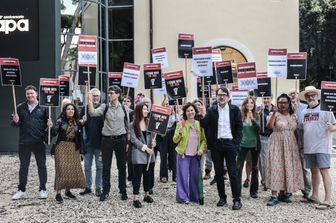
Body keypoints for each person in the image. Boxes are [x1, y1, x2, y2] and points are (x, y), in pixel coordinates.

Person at [200, 87, 243, 210]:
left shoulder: (235, 110)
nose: (222, 97)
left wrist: (236, 144)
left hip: (230, 144)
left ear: (228, 96)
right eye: (219, 95)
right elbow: (203, 123)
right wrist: (198, 114)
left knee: (232, 173)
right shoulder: (212, 110)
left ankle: (236, 200)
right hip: (216, 145)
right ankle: (222, 197)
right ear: (216, 96)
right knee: (218, 173)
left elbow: (239, 128)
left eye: (224, 95)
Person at [88, 85, 130, 202]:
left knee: (122, 167)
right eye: (109, 93)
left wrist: (127, 141)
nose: (109, 95)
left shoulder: (124, 108)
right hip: (107, 140)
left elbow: (128, 126)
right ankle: (105, 191)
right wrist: (90, 100)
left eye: (111, 93)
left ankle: (123, 190)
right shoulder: (104, 107)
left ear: (118, 94)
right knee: (106, 167)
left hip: (121, 139)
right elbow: (92, 113)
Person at [298, 86, 336, 209]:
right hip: (309, 147)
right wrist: (302, 147)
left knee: (324, 171)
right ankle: (314, 196)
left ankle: (328, 199)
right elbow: (302, 131)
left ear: (317, 96)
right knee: (313, 171)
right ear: (305, 98)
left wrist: (333, 128)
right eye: (308, 95)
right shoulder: (303, 113)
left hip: (322, 146)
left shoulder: (326, 109)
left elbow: (335, 125)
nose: (311, 97)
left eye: (313, 94)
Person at [11, 85, 51, 200]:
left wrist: (50, 126)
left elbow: (50, 127)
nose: (30, 95)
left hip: (39, 141)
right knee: (23, 166)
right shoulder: (19, 107)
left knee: (41, 166)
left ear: (37, 94)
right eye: (28, 94)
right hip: (24, 142)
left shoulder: (44, 107)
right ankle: (21, 190)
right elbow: (14, 124)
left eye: (32, 93)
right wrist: (15, 121)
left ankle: (43, 189)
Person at [265, 94, 304, 206]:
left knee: (286, 167)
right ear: (277, 104)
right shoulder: (275, 114)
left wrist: (299, 145)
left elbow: (296, 131)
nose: (283, 104)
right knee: (276, 167)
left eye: (285, 102)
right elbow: (270, 126)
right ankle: (273, 195)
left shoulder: (293, 116)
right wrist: (273, 114)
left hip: (291, 145)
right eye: (280, 102)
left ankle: (282, 193)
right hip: (276, 143)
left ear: (289, 104)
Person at [52, 103, 86, 204]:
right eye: (68, 109)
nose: (71, 111)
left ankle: (68, 191)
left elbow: (80, 138)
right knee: (61, 169)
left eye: (72, 109)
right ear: (65, 111)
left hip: (73, 147)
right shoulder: (60, 121)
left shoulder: (78, 123)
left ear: (75, 111)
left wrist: (81, 151)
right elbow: (54, 133)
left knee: (70, 168)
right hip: (61, 146)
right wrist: (50, 127)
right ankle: (58, 193)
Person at [173, 103, 206, 205]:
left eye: (192, 110)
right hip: (183, 155)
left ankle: (194, 196)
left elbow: (204, 140)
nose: (190, 112)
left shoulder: (199, 124)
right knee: (182, 176)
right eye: (188, 111)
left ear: (195, 112)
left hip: (196, 155)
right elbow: (174, 140)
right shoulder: (181, 124)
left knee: (194, 177)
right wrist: (179, 133)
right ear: (185, 113)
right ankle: (182, 197)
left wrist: (200, 150)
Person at [130, 102, 156, 208]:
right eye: (144, 109)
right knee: (137, 176)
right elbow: (133, 139)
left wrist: (154, 143)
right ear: (139, 111)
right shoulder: (133, 125)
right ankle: (135, 198)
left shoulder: (150, 123)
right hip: (139, 153)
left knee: (148, 175)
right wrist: (146, 149)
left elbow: (154, 137)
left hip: (149, 154)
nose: (146, 111)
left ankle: (146, 194)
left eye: (147, 109)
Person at [79, 88, 104, 196]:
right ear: (90, 97)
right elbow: (78, 123)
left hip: (100, 143)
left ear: (100, 97)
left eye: (97, 96)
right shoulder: (84, 109)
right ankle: (88, 187)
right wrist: (82, 121)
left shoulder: (103, 108)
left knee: (99, 167)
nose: (95, 98)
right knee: (87, 166)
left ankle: (98, 187)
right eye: (93, 96)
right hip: (88, 143)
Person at [288, 89, 311, 199]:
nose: (292, 96)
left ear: (298, 95)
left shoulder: (305, 107)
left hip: (302, 140)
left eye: (294, 93)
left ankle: (306, 190)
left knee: (304, 167)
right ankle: (290, 189)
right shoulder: (286, 108)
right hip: (289, 141)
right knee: (290, 166)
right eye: (290, 94)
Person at [237, 96, 260, 199]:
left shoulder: (257, 115)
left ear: (254, 105)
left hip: (254, 145)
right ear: (245, 104)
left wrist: (253, 120)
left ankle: (254, 191)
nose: (250, 104)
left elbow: (259, 129)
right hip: (242, 145)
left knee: (255, 168)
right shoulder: (240, 115)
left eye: (252, 103)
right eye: (248, 103)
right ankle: (237, 190)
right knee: (238, 167)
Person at [258, 96, 275, 191]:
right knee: (264, 160)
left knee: (273, 160)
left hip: (274, 137)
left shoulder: (275, 109)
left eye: (268, 98)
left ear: (271, 98)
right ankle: (265, 180)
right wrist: (259, 112)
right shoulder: (259, 109)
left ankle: (271, 179)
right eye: (264, 98)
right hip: (263, 137)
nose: (266, 100)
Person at [158, 97, 177, 183]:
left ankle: (175, 175)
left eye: (168, 104)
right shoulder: (159, 115)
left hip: (173, 137)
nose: (167, 106)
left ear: (172, 106)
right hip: (163, 137)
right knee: (163, 157)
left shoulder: (177, 115)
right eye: (165, 105)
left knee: (174, 156)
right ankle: (163, 175)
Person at [123, 95, 134, 187]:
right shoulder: (119, 111)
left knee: (130, 159)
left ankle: (130, 177)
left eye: (128, 101)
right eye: (124, 101)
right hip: (122, 137)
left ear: (131, 103)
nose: (126, 102)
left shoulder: (133, 113)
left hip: (130, 138)